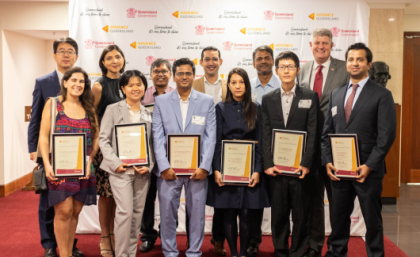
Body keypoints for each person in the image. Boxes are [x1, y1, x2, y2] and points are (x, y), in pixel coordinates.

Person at [321, 43, 396, 257]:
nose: (354, 63)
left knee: (372, 219)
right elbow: (327, 132)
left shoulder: (382, 95)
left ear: (368, 64)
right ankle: (336, 252)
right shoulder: (336, 94)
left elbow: (386, 135)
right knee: (338, 217)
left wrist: (370, 165)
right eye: (351, 59)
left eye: (360, 59)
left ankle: (375, 254)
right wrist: (327, 161)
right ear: (346, 63)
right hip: (339, 170)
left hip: (367, 171)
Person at [152, 58, 216, 257]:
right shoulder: (161, 101)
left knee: (197, 214)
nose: (184, 77)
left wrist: (204, 166)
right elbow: (157, 135)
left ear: (194, 75)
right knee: (167, 213)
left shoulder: (207, 101)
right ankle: (170, 251)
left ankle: (194, 251)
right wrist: (163, 166)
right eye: (180, 73)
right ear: (173, 75)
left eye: (188, 73)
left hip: (198, 170)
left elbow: (210, 136)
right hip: (168, 169)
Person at [27, 37, 84, 257]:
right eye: (61, 51)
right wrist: (34, 148)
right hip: (49, 151)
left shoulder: (80, 81)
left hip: (75, 154)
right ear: (54, 55)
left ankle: (69, 244)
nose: (66, 55)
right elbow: (35, 119)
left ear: (76, 56)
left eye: (70, 51)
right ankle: (49, 244)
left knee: (71, 201)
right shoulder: (43, 82)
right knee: (48, 200)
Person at [297, 28, 349, 257]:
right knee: (314, 199)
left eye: (325, 43)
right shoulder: (303, 70)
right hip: (308, 146)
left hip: (334, 144)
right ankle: (315, 245)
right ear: (311, 44)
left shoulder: (343, 69)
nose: (320, 46)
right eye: (317, 42)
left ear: (331, 45)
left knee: (337, 200)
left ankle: (337, 248)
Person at [261, 51, 319, 257]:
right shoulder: (268, 99)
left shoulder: (310, 96)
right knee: (278, 214)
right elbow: (265, 133)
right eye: (282, 67)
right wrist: (267, 163)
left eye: (290, 67)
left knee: (301, 215)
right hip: (276, 169)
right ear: (276, 71)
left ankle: (296, 252)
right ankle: (280, 251)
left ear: (297, 70)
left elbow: (313, 132)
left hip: (300, 169)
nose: (286, 70)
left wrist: (306, 163)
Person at [207, 68, 269, 257]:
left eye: (241, 82)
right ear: (229, 86)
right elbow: (216, 142)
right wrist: (216, 169)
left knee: (247, 214)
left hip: (249, 169)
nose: (237, 86)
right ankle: (234, 253)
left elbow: (261, 142)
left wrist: (258, 170)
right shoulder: (220, 108)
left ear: (247, 85)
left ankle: (242, 253)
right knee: (228, 213)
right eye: (233, 82)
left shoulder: (256, 108)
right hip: (227, 168)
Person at [38, 67, 99, 257]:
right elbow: (43, 136)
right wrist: (47, 165)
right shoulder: (53, 104)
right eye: (74, 80)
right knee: (63, 211)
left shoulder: (89, 107)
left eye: (81, 81)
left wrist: (90, 161)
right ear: (65, 83)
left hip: (84, 169)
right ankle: (63, 254)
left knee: (75, 212)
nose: (78, 84)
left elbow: (96, 138)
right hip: (59, 168)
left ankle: (68, 252)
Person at [99, 70, 155, 257]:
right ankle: (122, 255)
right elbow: (103, 140)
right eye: (130, 85)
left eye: (139, 84)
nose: (135, 88)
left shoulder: (148, 113)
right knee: (125, 215)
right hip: (120, 172)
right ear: (123, 88)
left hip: (142, 173)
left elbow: (152, 145)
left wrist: (149, 165)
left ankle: (130, 254)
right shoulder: (113, 109)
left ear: (144, 87)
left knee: (137, 216)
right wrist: (115, 163)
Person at [91, 45, 125, 257]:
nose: (114, 61)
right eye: (109, 58)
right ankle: (105, 237)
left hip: (128, 148)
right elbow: (93, 119)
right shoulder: (98, 86)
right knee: (106, 195)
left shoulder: (127, 82)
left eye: (118, 56)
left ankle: (116, 235)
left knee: (119, 195)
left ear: (123, 59)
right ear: (103, 62)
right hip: (106, 148)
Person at [193, 46, 227, 255]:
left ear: (220, 62)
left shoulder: (228, 85)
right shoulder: (193, 84)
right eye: (207, 59)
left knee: (221, 200)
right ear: (201, 62)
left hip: (222, 148)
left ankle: (219, 239)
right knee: (194, 199)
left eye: (215, 59)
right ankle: (191, 241)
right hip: (196, 148)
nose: (211, 62)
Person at [247, 45, 281, 257]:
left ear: (273, 61)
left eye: (267, 58)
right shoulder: (246, 87)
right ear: (253, 63)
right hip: (254, 151)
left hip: (280, 152)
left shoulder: (284, 85)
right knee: (255, 202)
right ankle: (253, 241)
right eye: (259, 59)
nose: (263, 62)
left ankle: (281, 244)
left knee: (280, 201)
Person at [139, 58, 175, 253]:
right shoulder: (141, 96)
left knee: (169, 200)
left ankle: (166, 234)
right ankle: (147, 235)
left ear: (170, 74)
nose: (160, 74)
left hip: (170, 157)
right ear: (150, 75)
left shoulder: (177, 95)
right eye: (156, 71)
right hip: (145, 155)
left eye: (164, 71)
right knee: (147, 199)